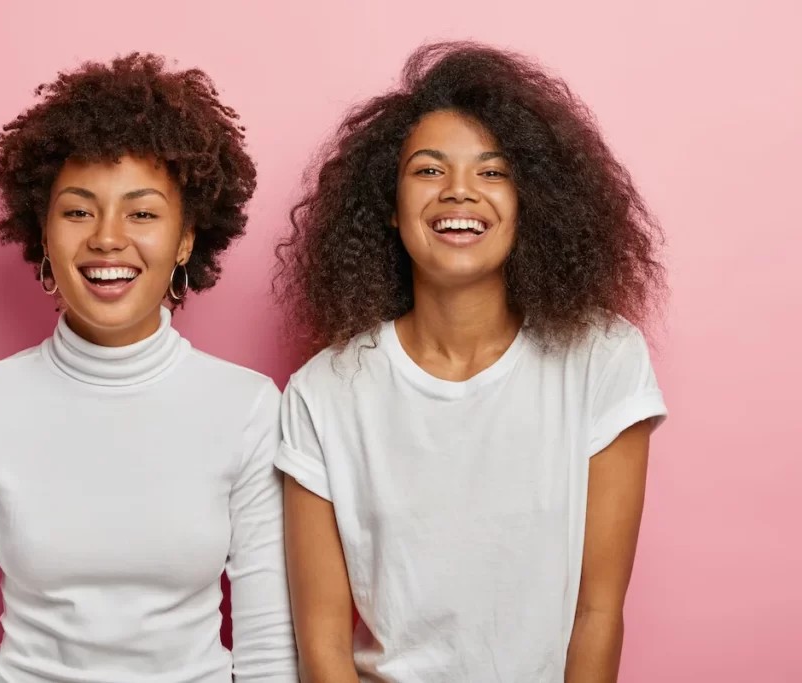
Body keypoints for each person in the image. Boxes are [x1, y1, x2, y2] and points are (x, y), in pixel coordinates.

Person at [274, 41, 668, 683]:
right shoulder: (324, 393)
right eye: (428, 171)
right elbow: (322, 646)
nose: (459, 192)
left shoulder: (603, 360)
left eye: (493, 172)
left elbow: (598, 613)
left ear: (531, 200)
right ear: (389, 203)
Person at [0, 53, 297, 683]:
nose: (107, 238)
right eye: (77, 210)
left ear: (185, 239)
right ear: (42, 233)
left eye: (142, 213)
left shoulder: (250, 407)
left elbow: (267, 656)